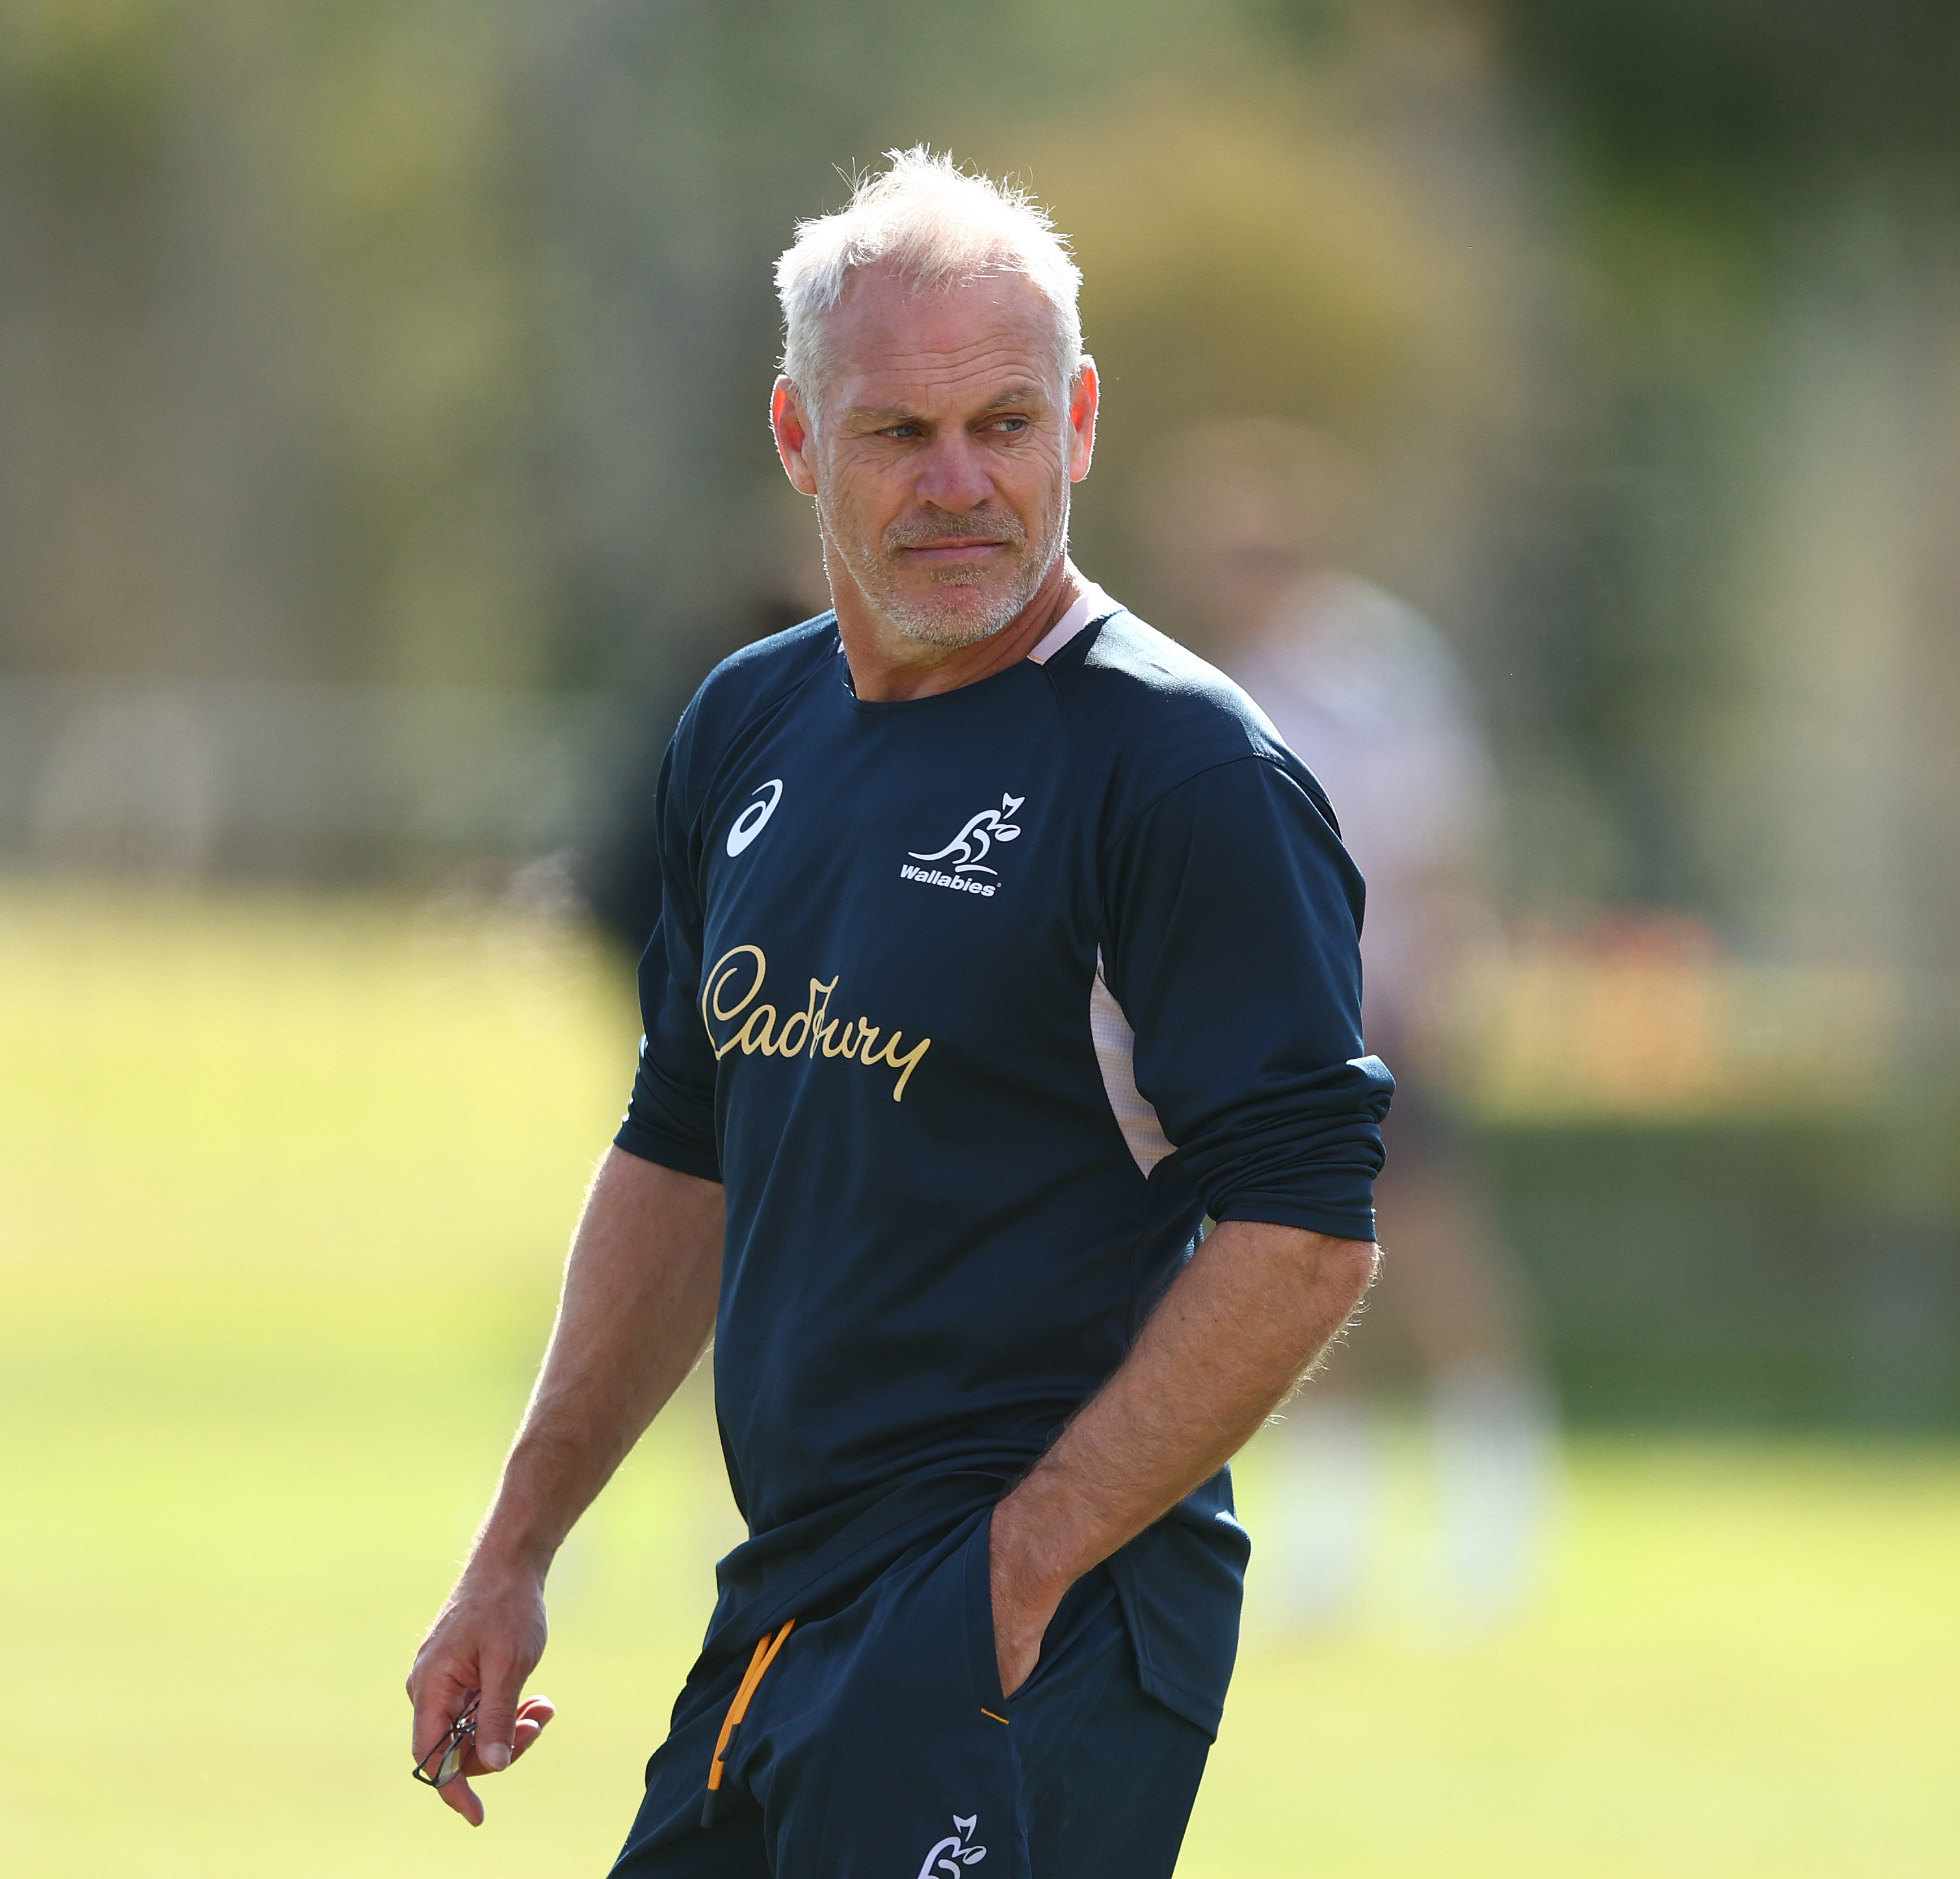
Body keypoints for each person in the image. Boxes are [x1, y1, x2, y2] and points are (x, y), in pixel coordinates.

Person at [404, 150, 1394, 1878]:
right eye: (897, 433)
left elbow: (1304, 1229)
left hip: (1045, 1614)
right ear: (799, 438)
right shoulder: (744, 726)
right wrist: (516, 1546)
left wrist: (1022, 1564)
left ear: (1079, 422)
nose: (959, 483)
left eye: (1003, 424)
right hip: (789, 1594)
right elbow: (679, 1151)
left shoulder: (1181, 770)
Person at [1146, 420, 1557, 1631]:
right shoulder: (1216, 682)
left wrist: (1440, 988)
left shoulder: (1377, 670)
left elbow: (1436, 840)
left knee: (1431, 1259)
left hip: (1382, 1011)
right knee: (1277, 1263)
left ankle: (1498, 1509)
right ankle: (1331, 1532)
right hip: (1273, 1025)